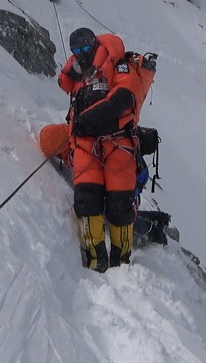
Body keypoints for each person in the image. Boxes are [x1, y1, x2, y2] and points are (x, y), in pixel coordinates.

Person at [57, 27, 143, 271]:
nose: (82, 54)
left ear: (94, 44)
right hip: (85, 144)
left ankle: (121, 264)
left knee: (120, 204)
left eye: (86, 48)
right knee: (86, 202)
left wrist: (89, 119)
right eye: (77, 50)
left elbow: (123, 98)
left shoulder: (117, 65)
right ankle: (96, 261)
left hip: (118, 141)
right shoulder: (76, 76)